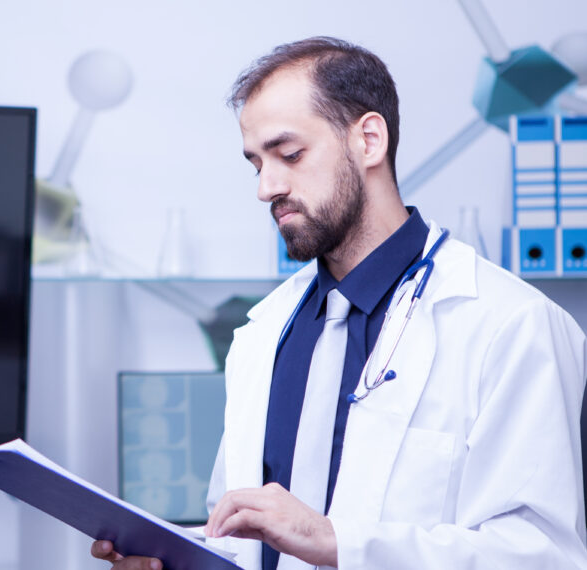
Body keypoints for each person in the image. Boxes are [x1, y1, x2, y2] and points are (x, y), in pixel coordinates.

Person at [92, 36, 587, 569]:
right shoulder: (262, 334)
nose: (266, 187)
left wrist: (336, 543)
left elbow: (544, 556)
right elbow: (238, 534)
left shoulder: (511, 324)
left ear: (369, 141)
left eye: (289, 154)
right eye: (256, 163)